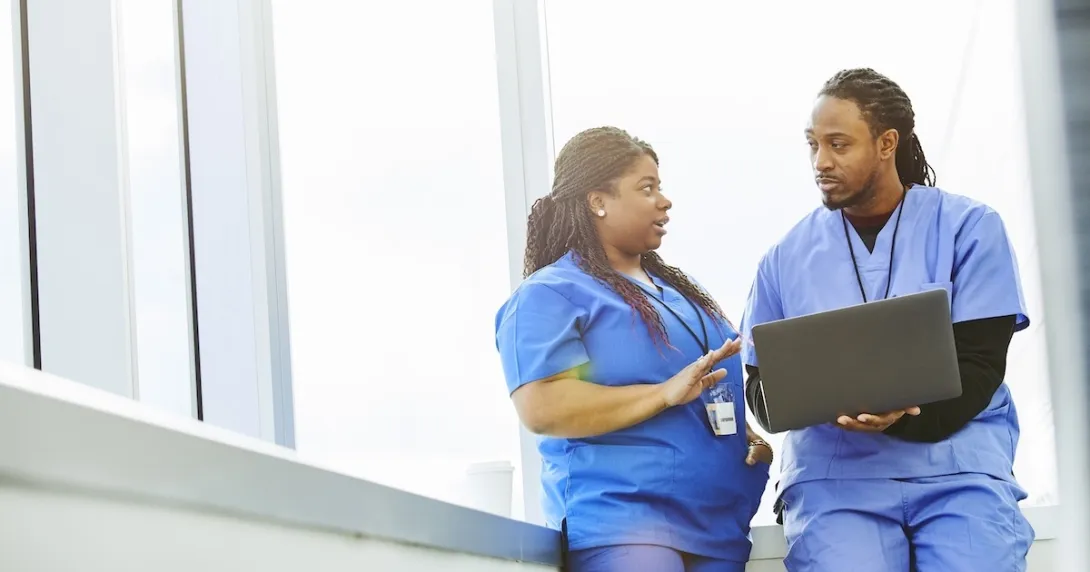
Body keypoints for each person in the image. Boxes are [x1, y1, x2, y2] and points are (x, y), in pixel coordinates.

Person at [741, 68, 1035, 571]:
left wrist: (903, 416)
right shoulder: (784, 257)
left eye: (838, 144)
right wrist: (812, 400)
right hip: (835, 481)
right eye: (812, 145)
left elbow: (982, 364)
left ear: (886, 143)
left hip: (957, 471)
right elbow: (759, 388)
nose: (820, 162)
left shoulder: (969, 228)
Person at [495, 126, 772, 572]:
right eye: (647, 188)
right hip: (624, 528)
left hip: (718, 529)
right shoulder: (551, 294)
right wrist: (663, 393)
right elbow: (542, 407)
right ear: (597, 201)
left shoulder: (686, 293)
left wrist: (748, 440)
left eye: (660, 187)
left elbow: (711, 391)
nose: (664, 201)